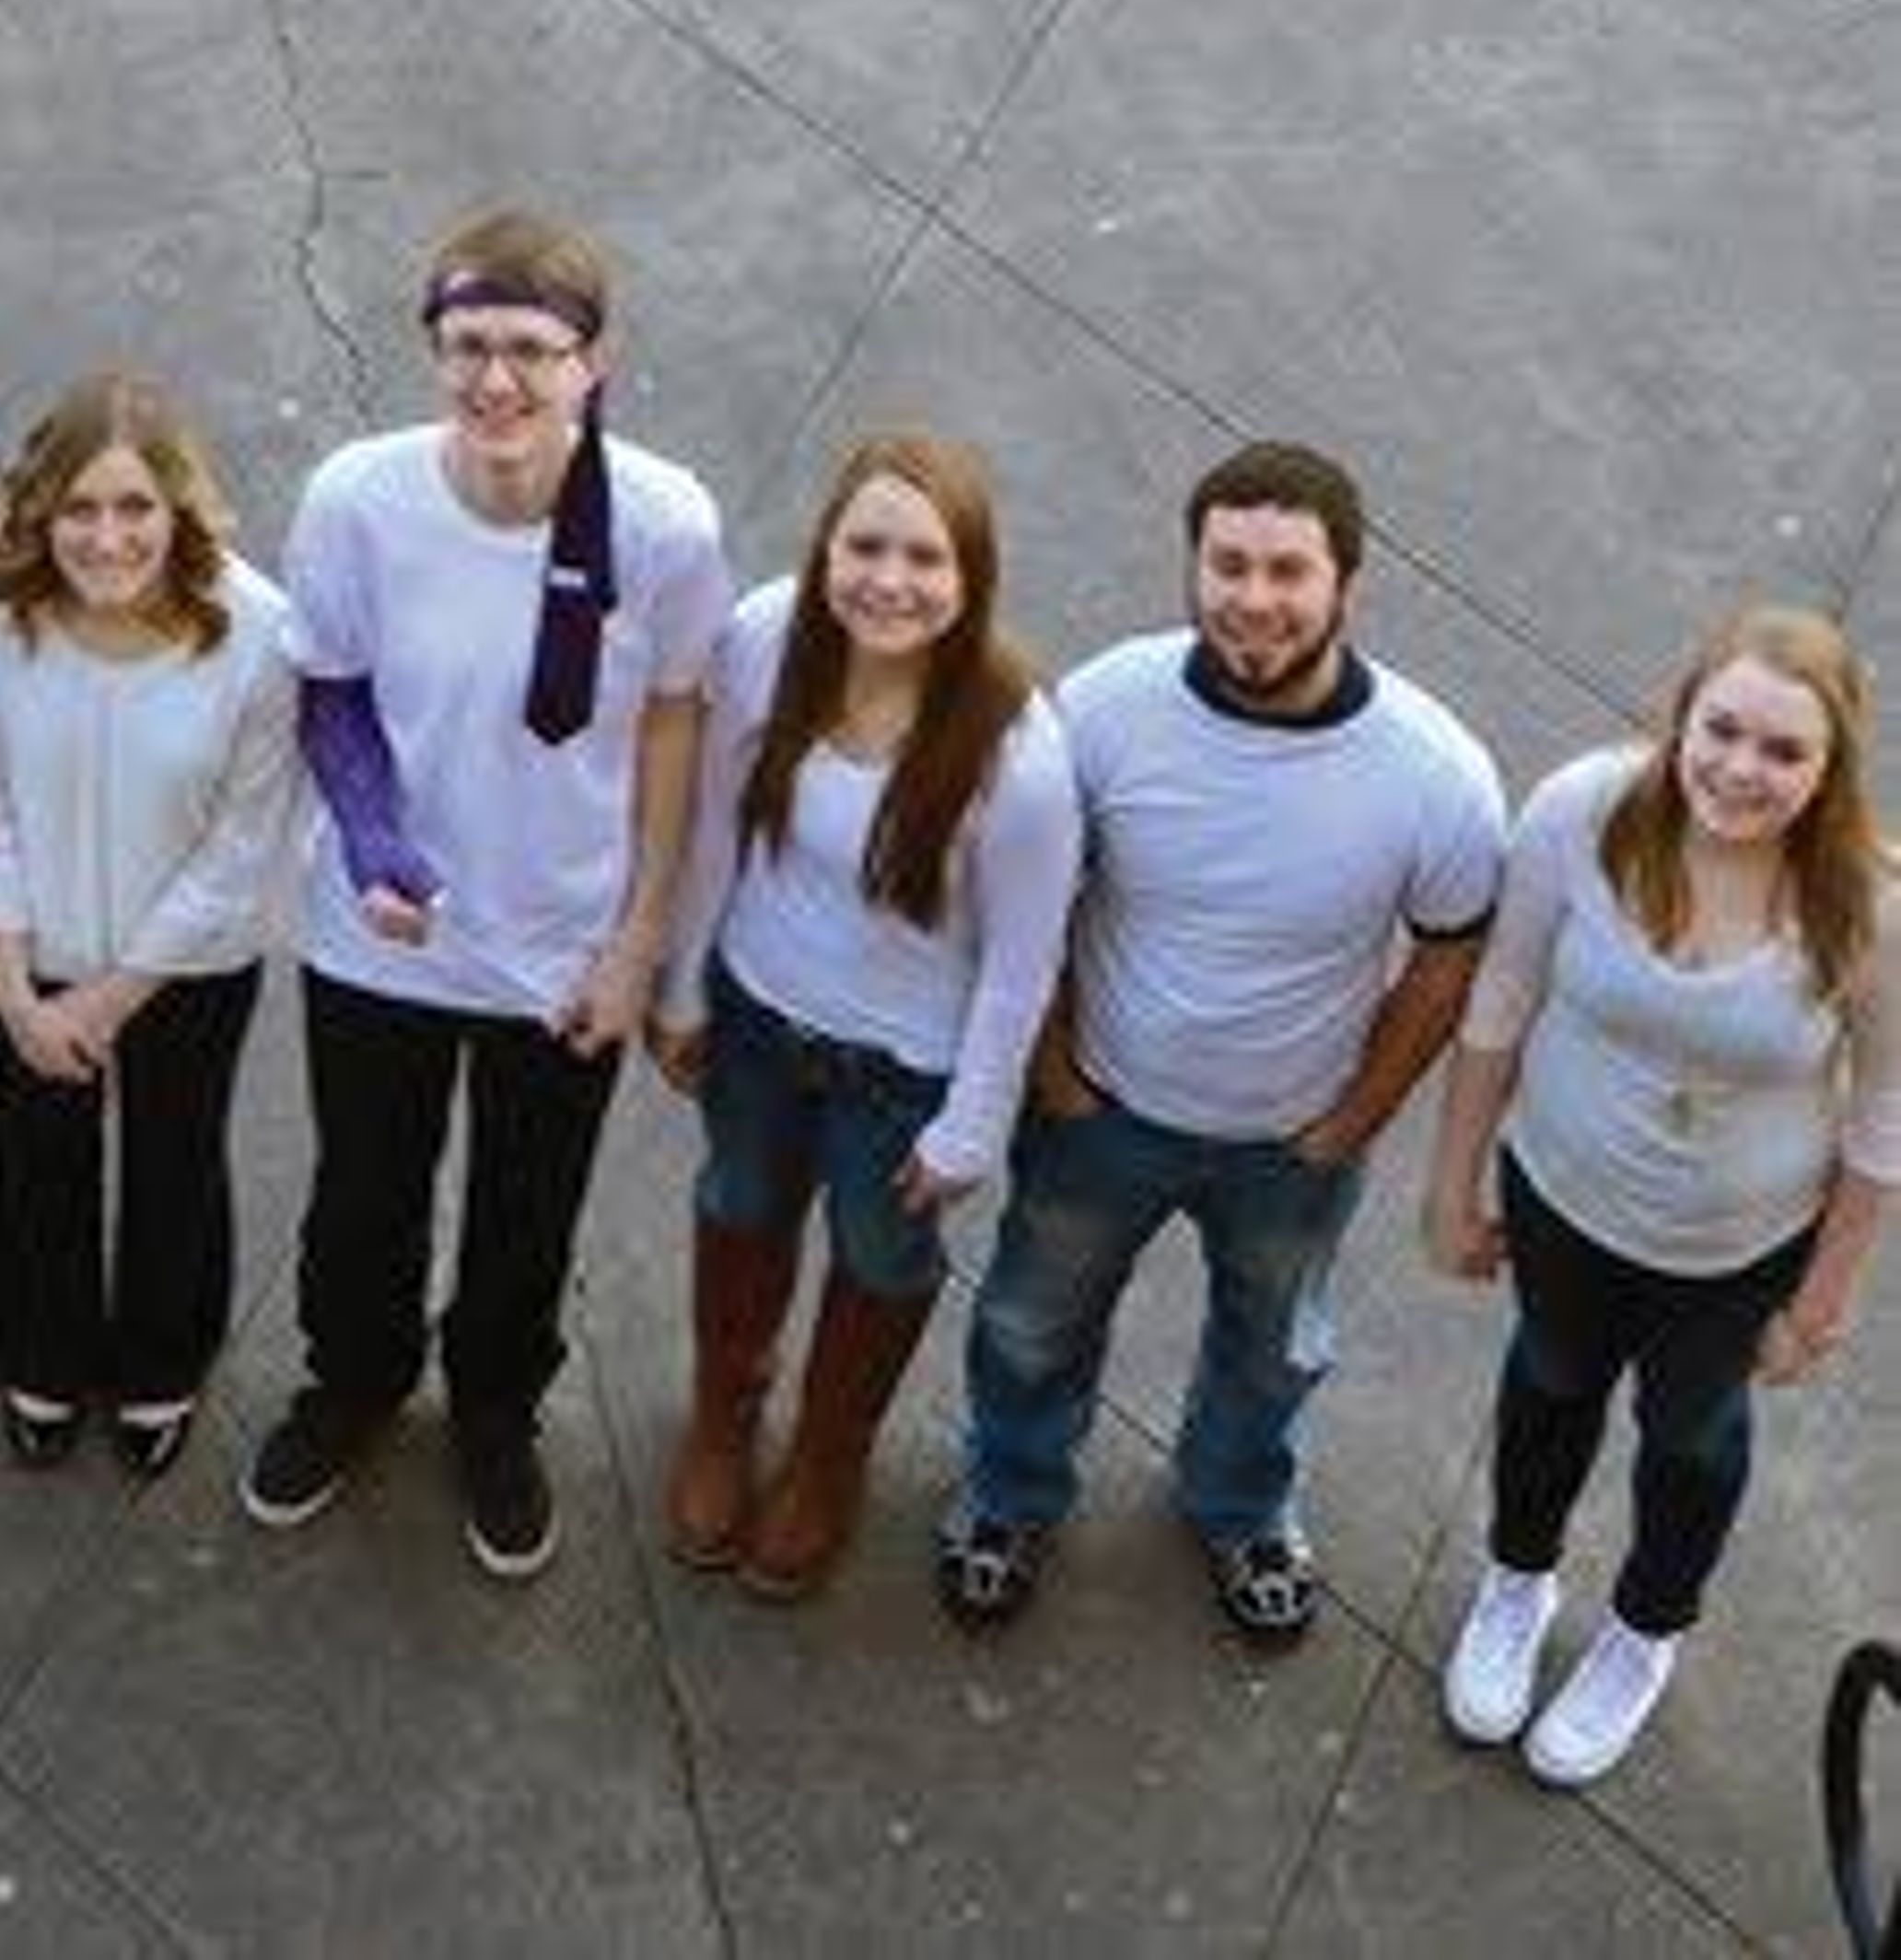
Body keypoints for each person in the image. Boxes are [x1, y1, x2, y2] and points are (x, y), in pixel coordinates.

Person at [938, 439, 1508, 1645]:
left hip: (1290, 1142)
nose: (1255, 596)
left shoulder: (1437, 772)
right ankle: (1010, 1490)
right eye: (1228, 563)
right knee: (1030, 1323)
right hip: (1102, 1112)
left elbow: (1449, 956)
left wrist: (1352, 1120)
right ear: (1193, 567)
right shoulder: (1102, 709)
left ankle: (1244, 1503)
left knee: (1273, 1351)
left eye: (1288, 569)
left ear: (1350, 582)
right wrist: (1054, 1074)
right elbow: (1028, 897)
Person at [242, 211, 728, 1582]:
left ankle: (496, 1410)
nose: (496, 381)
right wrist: (376, 836)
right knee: (363, 1194)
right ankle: (352, 1383)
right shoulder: (359, 496)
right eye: (467, 347)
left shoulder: (664, 522)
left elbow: (677, 724)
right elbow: (330, 690)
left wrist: (641, 943)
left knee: (530, 1207)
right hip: (382, 936)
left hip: (565, 943)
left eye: (530, 349)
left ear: (594, 360)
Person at [1424, 606, 1895, 1786]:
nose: (1741, 769)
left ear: (1831, 770)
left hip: (1738, 1250)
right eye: (1721, 729)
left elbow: (1886, 1124)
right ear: (1680, 716)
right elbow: (1502, 997)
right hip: (1564, 1197)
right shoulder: (1584, 813)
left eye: (1784, 752)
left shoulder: (1872, 909)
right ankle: (1517, 1580)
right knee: (1549, 1385)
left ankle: (1643, 1635)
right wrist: (1451, 1185)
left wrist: (1825, 1300)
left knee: (1690, 1443)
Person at [650, 432, 1076, 1596]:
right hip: (758, 1020)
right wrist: (684, 983)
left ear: (971, 575)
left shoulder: (1017, 751)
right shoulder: (765, 646)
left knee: (882, 1257)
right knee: (739, 1207)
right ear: (826, 547)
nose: (888, 581)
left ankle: (828, 1460)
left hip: (906, 1070)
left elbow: (1021, 963)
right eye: (866, 545)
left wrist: (972, 1123)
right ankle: (725, 1419)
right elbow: (714, 829)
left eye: (925, 557)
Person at [0, 371, 299, 1480]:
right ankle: (39, 1348)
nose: (106, 536)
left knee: (176, 1156)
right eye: (79, 509)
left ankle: (160, 1358)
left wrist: (111, 994)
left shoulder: (258, 635)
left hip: (184, 965)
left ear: (180, 509)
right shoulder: (5, 611)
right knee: (39, 1150)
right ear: (44, 515)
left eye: (135, 507)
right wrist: (11, 990)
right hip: (24, 950)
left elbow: (243, 843)